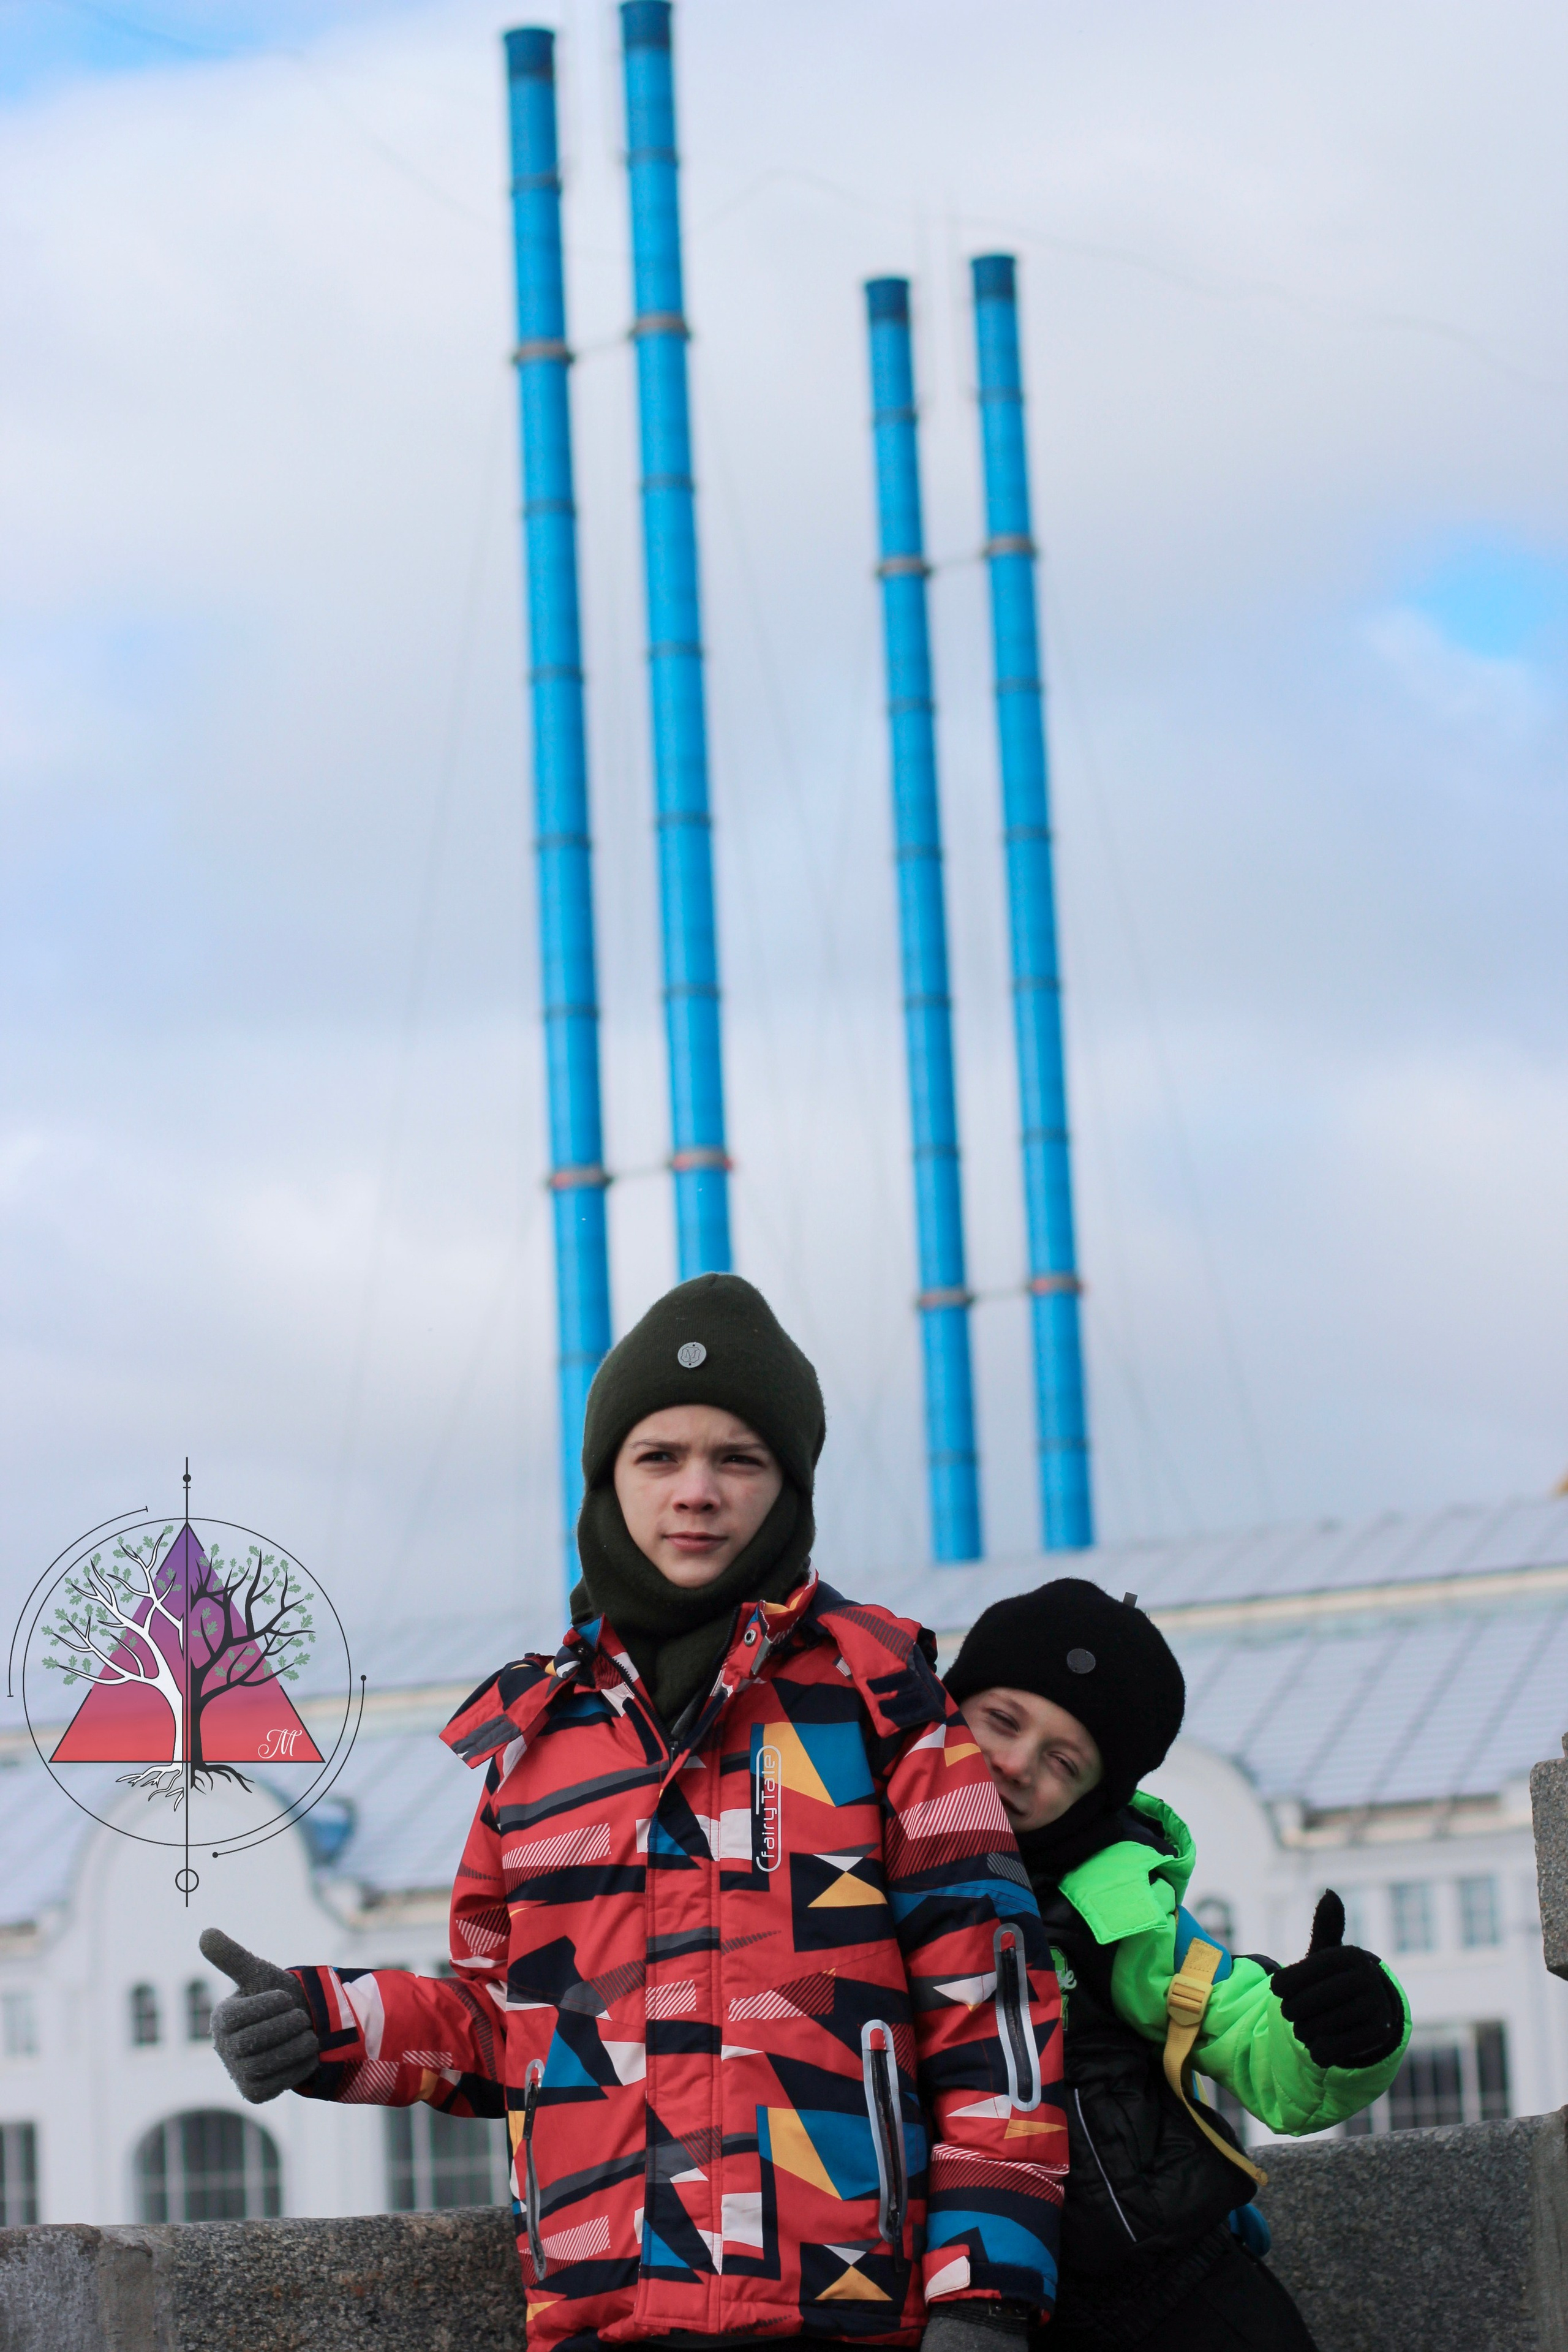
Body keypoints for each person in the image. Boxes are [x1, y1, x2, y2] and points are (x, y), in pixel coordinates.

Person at [203, 1276, 1068, 2352]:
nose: (695, 1493)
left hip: (842, 2320)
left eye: (736, 1459)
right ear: (609, 1481)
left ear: (788, 1487)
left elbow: (992, 2018)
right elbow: (509, 2024)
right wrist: (327, 2026)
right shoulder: (536, 1738)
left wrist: (985, 2301)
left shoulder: (883, 1706)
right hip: (599, 2319)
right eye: (660, 1458)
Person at [945, 1580, 1409, 2352]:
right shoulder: (840, 1865)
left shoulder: (1118, 1915)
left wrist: (1344, 2030)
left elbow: (1237, 2021)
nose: (1017, 1765)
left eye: (1063, 1761)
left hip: (1151, 2292)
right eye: (1000, 1721)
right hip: (938, 2301)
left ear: (1097, 1797)